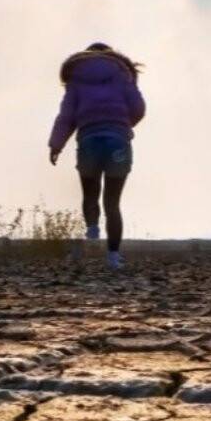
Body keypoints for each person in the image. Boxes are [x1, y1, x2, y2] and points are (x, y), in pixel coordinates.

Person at [48, 42, 145, 269]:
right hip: (117, 142)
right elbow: (139, 107)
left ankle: (92, 230)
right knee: (113, 202)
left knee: (90, 193)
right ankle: (113, 258)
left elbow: (66, 116)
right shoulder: (123, 75)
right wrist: (123, 124)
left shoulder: (76, 79)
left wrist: (56, 145)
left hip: (89, 141)